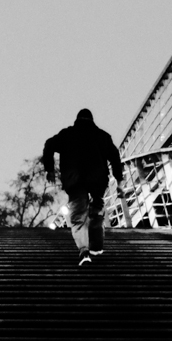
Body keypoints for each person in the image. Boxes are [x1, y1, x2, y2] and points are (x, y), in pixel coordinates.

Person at [43, 108, 124, 266]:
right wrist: (119, 181)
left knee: (79, 216)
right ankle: (97, 244)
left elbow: (49, 144)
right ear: (92, 120)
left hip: (75, 180)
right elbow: (115, 157)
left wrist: (50, 169)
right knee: (96, 212)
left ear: (77, 119)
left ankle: (84, 251)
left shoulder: (67, 134)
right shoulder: (103, 136)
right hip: (97, 180)